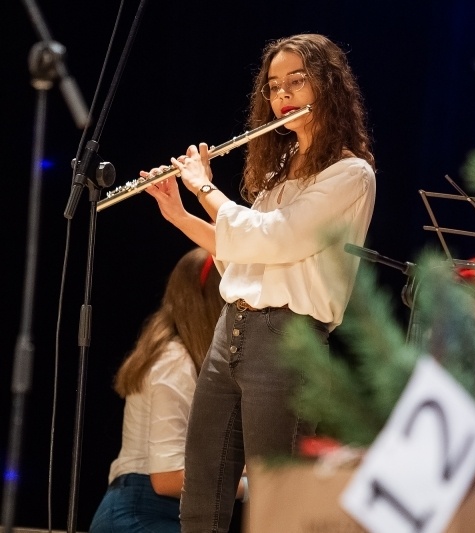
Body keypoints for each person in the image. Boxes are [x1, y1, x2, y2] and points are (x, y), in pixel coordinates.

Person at [143, 33, 376, 532]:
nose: (283, 94)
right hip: (232, 330)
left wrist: (204, 186)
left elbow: (278, 237)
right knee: (201, 494)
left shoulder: (350, 174)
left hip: (287, 339)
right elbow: (244, 256)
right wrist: (180, 214)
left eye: (297, 81)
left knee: (276, 505)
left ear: (327, 86)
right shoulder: (279, 172)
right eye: (274, 86)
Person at [89, 247, 228, 533]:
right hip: (137, 515)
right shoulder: (174, 362)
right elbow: (167, 478)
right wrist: (251, 486)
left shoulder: (184, 360)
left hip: (161, 513)